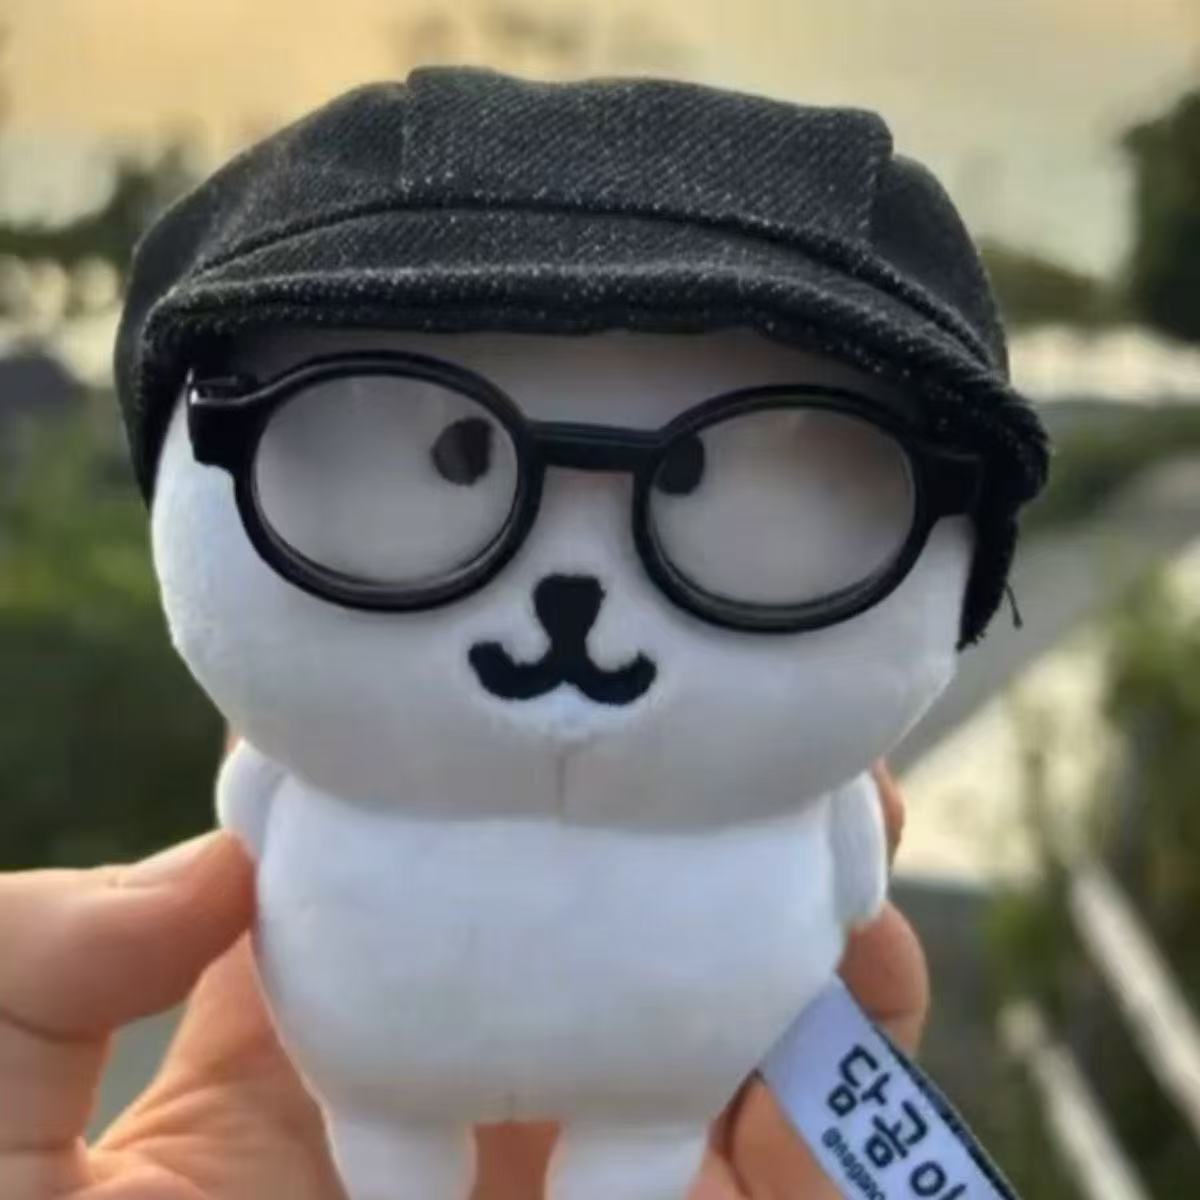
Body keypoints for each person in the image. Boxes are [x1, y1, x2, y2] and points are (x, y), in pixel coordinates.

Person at [0, 762, 924, 1200]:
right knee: (393, 1121)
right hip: (379, 1069)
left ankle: (624, 1149)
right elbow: (855, 881)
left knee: (642, 1133)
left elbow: (245, 813)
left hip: (396, 1055)